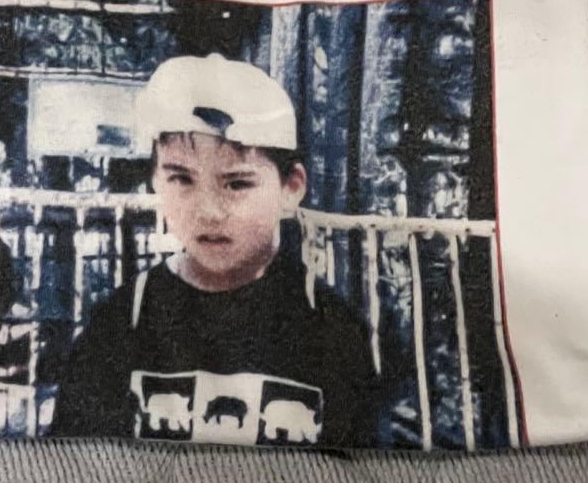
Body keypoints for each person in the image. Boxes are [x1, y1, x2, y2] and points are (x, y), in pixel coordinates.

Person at [50, 54, 380, 448]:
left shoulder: (331, 329)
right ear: (156, 180)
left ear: (290, 188)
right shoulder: (123, 321)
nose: (208, 211)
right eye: (181, 179)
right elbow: (74, 463)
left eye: (237, 184)